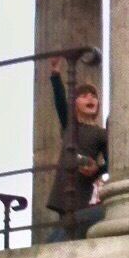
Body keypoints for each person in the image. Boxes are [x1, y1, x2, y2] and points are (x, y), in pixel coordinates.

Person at [46, 59, 107, 242]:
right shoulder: (70, 126)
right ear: (75, 104)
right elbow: (60, 103)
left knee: (70, 231)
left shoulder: (101, 134)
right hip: (64, 189)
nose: (90, 98)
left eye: (93, 96)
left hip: (82, 189)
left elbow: (113, 161)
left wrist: (98, 170)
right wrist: (56, 75)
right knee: (65, 229)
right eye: (84, 96)